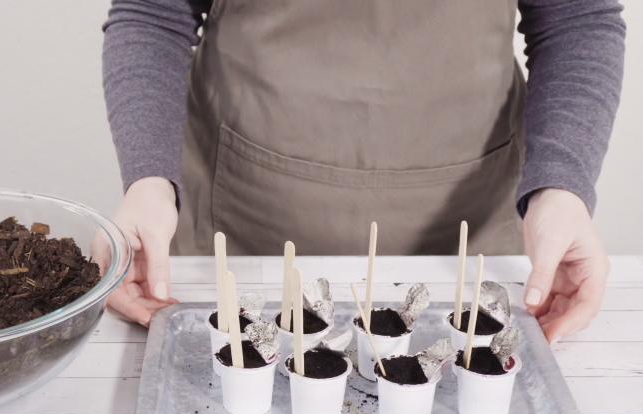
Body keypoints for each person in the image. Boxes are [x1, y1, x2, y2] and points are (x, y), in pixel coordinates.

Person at [98, 0, 626, 344]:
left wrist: (562, 188)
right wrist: (149, 182)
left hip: (469, 238)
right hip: (243, 224)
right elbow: (155, 13)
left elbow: (575, 19)